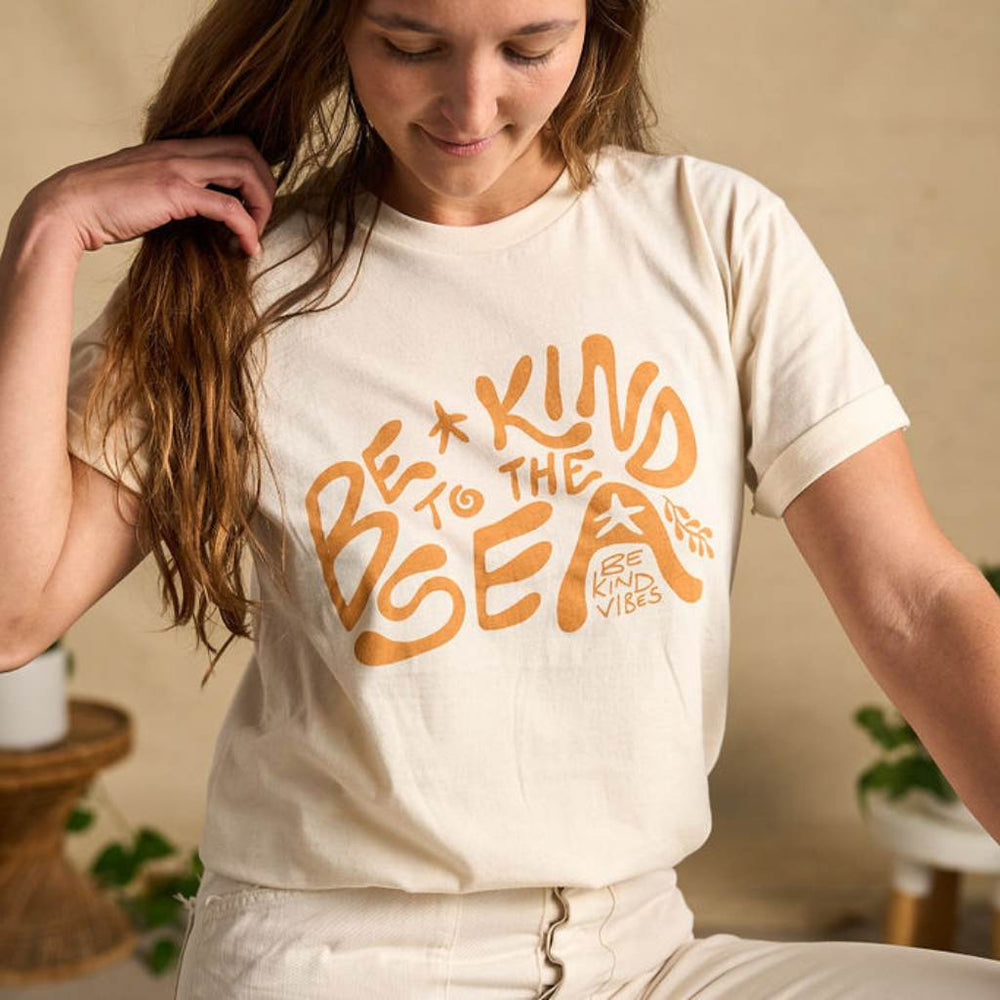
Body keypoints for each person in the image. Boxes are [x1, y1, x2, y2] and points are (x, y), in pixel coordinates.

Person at [1, 1, 998, 997]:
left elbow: (913, 600)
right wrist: (47, 236)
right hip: (339, 956)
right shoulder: (240, 283)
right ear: (336, 26)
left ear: (599, 27)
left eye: (529, 48)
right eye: (411, 46)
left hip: (643, 951)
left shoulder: (715, 234)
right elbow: (14, 611)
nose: (469, 103)